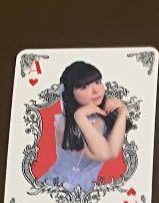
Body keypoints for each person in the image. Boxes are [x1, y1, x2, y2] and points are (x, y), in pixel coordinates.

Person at [38, 60, 131, 193]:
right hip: (56, 187)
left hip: (84, 191)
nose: (96, 90)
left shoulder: (104, 116)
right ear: (70, 93)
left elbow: (113, 152)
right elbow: (103, 154)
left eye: (97, 82)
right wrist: (80, 117)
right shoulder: (63, 124)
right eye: (84, 87)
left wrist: (122, 112)